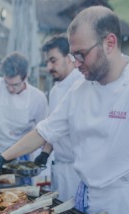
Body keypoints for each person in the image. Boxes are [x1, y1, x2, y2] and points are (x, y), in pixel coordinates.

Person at [0, 5, 129, 214]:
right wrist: (3, 158)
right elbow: (44, 130)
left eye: (81, 54)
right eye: (73, 55)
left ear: (109, 43)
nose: (76, 63)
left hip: (122, 205)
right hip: (83, 195)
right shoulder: (79, 91)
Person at [34, 35, 83, 201]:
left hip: (79, 170)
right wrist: (45, 153)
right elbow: (52, 127)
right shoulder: (55, 90)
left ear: (69, 58)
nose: (48, 67)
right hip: (60, 166)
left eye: (53, 60)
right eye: (47, 62)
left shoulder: (82, 83)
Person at [0, 51, 48, 154]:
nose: (10, 89)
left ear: (25, 78)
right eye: (7, 83)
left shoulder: (38, 98)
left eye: (15, 85)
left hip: (25, 153)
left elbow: (43, 131)